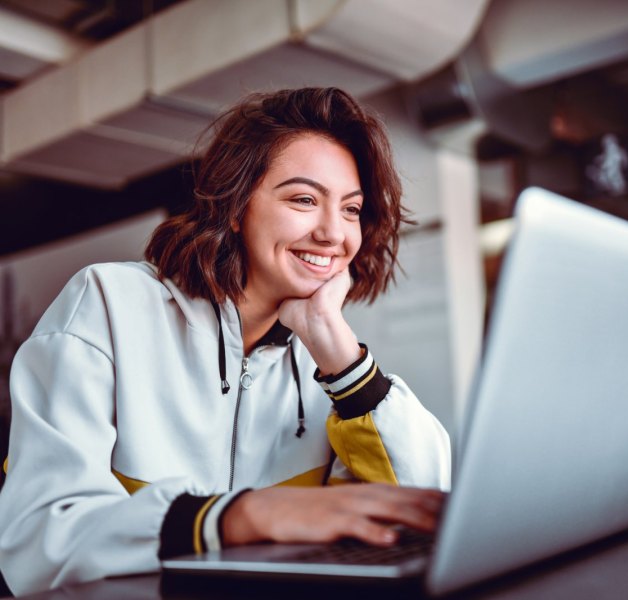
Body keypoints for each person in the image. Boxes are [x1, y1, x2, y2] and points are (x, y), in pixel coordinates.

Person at [0, 87, 451, 595]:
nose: (334, 233)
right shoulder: (107, 302)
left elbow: (421, 507)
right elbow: (37, 541)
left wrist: (336, 347)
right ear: (236, 207)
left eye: (351, 209)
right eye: (304, 199)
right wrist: (240, 517)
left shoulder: (327, 358)